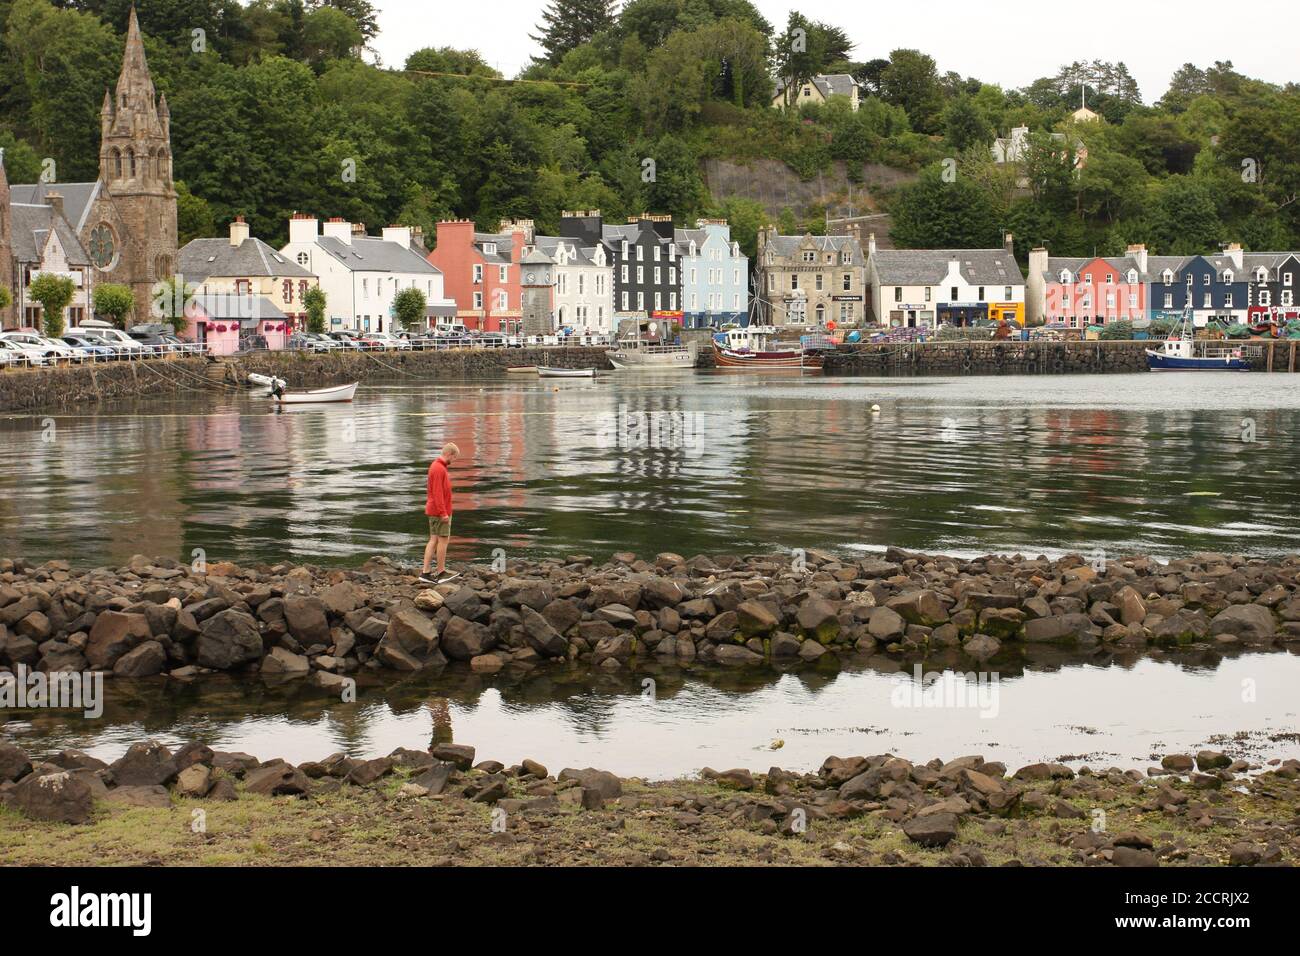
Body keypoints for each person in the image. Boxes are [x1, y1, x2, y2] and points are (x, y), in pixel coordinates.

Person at [420, 442, 459, 584]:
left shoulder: (438, 467)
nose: (453, 461)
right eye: (454, 458)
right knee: (443, 540)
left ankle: (425, 572)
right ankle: (441, 572)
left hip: (436, 511)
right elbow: (437, 494)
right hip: (439, 512)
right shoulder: (438, 469)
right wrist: (443, 514)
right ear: (450, 454)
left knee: (434, 539)